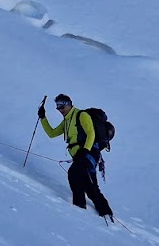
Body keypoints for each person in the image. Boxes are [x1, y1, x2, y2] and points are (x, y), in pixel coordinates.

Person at [38, 93, 114, 221]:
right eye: (57, 107)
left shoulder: (81, 115)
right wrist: (43, 118)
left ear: (69, 104)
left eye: (61, 106)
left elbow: (91, 133)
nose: (60, 110)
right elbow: (52, 133)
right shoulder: (67, 120)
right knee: (90, 185)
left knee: (74, 173)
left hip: (88, 153)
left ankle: (80, 207)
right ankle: (105, 212)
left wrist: (84, 151)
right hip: (82, 155)